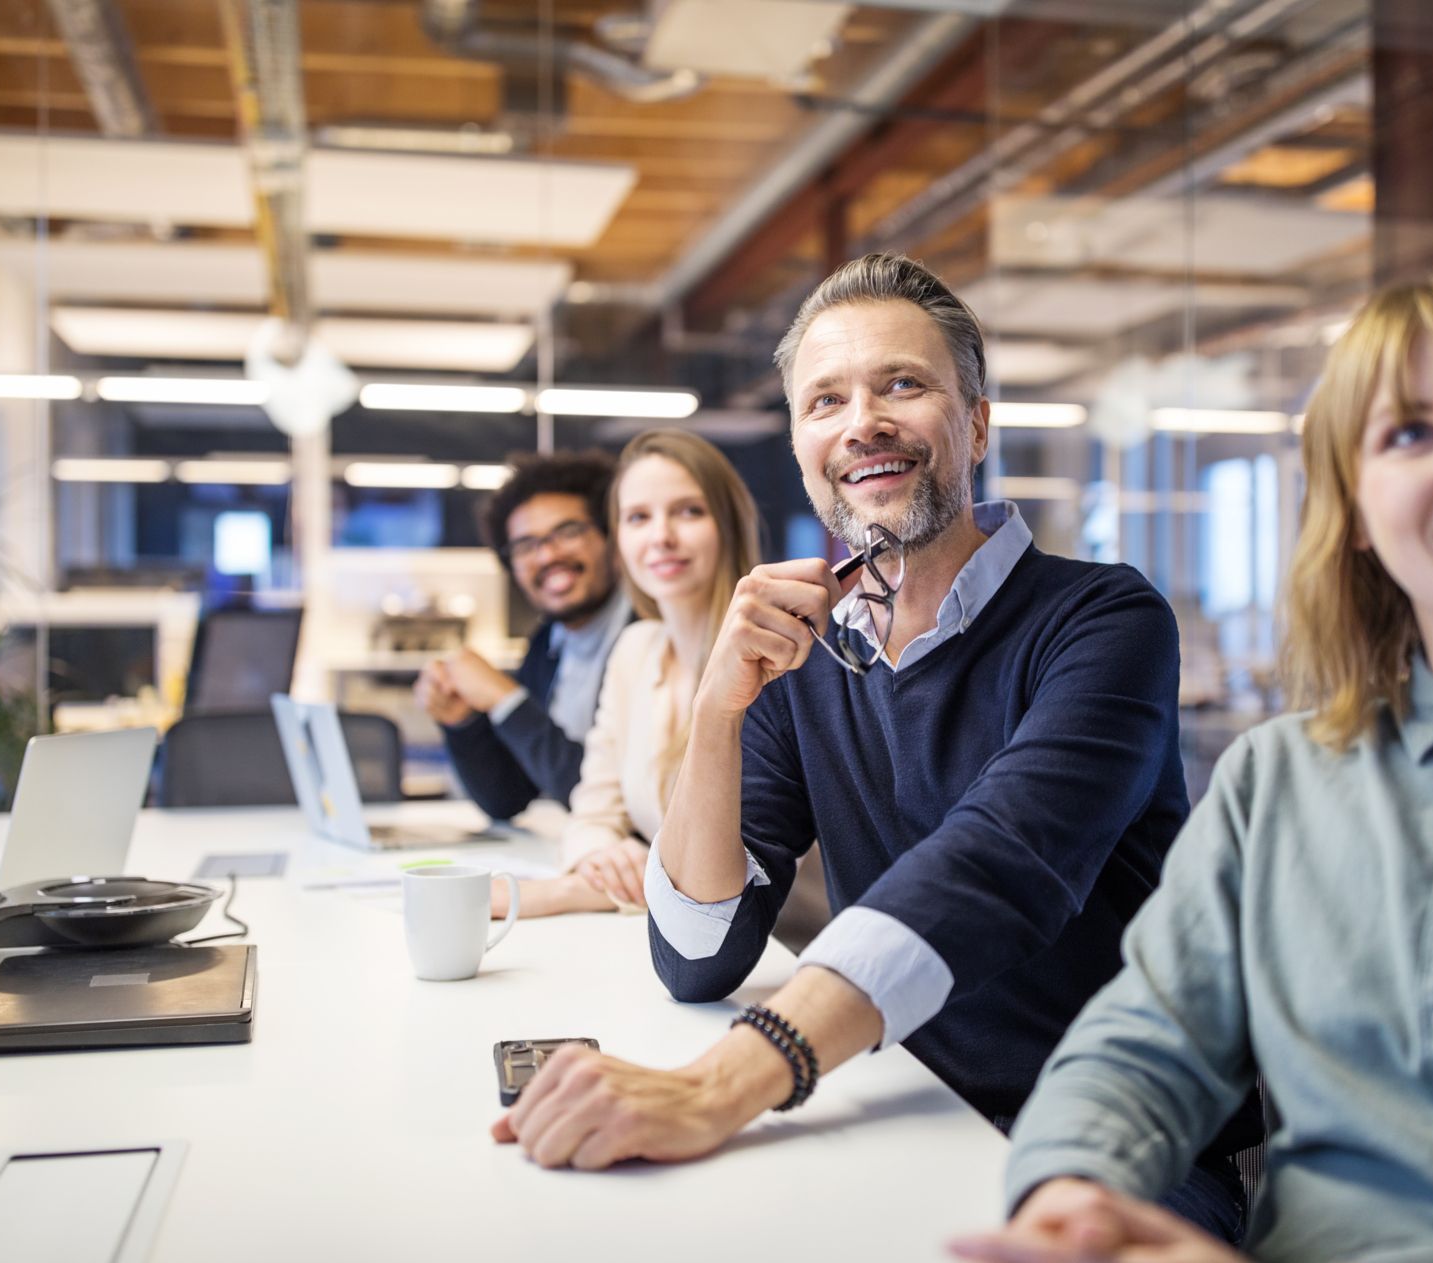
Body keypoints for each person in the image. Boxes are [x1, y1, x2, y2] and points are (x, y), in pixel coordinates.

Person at [952, 271, 1433, 1263]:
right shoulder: (1274, 782)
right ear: (1359, 512)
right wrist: (1072, 1194)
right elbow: (1147, 1042)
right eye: (1410, 433)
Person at [491, 253, 1253, 1242]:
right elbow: (696, 955)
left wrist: (724, 1084)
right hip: (901, 1103)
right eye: (826, 402)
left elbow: (997, 865)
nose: (864, 423)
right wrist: (719, 712)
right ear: (806, 449)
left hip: (1112, 1140)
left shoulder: (1101, 618)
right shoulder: (802, 652)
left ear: (976, 421)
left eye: (904, 384)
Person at [496, 429, 763, 918]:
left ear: (729, 524)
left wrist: (565, 892)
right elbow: (593, 811)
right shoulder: (636, 651)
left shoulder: (773, 657)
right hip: (678, 941)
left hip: (781, 951)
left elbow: (738, 870)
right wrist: (597, 854)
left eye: (689, 511)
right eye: (638, 517)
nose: (661, 536)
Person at [417, 451, 635, 819]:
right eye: (525, 546)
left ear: (611, 538)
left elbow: (611, 796)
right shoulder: (548, 645)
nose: (547, 555)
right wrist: (464, 722)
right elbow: (509, 797)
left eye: (567, 532)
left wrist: (506, 700)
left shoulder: (648, 634)